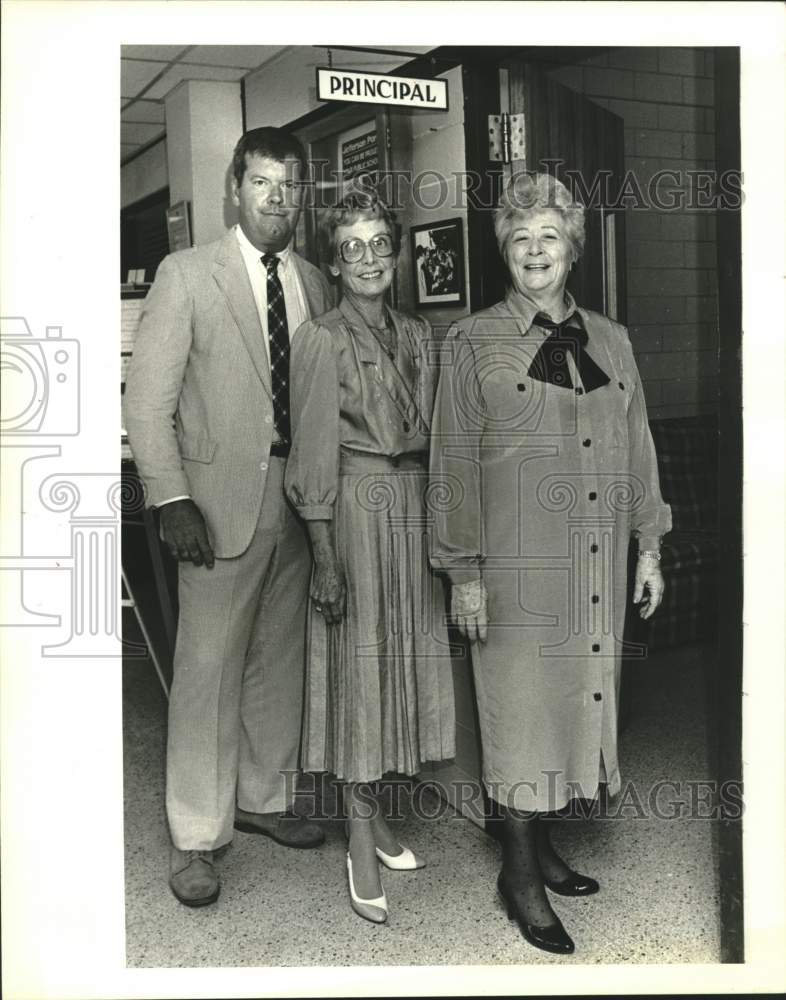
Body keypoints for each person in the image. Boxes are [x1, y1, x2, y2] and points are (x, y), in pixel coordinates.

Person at [428, 172, 671, 954]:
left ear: (573, 250)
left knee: (575, 705)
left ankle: (539, 847)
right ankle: (520, 874)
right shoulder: (471, 341)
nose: (536, 251)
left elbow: (638, 448)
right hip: (515, 571)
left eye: (551, 237)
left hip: (596, 564)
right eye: (521, 237)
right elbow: (452, 465)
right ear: (506, 250)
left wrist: (651, 546)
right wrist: (463, 572)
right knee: (520, 714)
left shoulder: (613, 338)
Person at [124, 127, 334, 907]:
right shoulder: (186, 275)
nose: (277, 198)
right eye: (261, 183)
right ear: (233, 190)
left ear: (301, 195)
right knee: (207, 671)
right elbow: (147, 403)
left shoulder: (313, 280)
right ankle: (196, 836)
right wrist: (173, 499)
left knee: (279, 659)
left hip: (297, 499)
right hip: (212, 508)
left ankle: (262, 800)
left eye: (289, 185)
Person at [284, 190, 455, 924]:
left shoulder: (420, 332)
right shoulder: (320, 338)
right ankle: (358, 835)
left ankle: (377, 815)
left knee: (395, 668)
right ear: (333, 260)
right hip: (353, 511)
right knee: (356, 669)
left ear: (396, 253)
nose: (368, 259)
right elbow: (312, 452)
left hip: (412, 511)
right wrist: (323, 554)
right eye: (351, 247)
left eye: (379, 243)